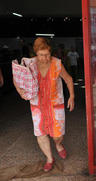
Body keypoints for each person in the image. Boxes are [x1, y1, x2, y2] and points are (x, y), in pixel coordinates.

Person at [13, 37, 75, 172]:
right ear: (36, 53)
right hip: (37, 106)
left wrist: (72, 96)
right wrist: (20, 91)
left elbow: (69, 79)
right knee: (40, 133)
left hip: (55, 105)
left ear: (50, 52)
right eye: (41, 55)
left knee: (58, 135)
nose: (45, 58)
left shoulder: (57, 63)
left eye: (47, 54)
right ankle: (49, 159)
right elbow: (16, 78)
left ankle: (58, 145)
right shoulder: (29, 64)